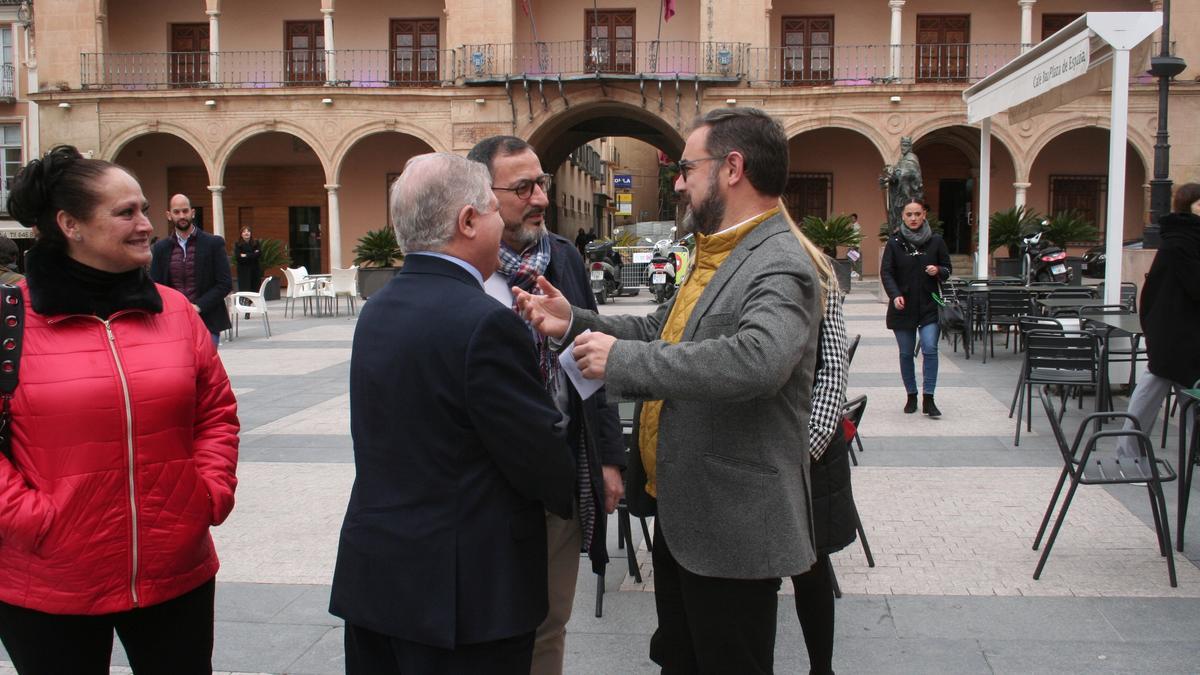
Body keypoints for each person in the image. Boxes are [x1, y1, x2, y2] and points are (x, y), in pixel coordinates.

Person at [515, 107, 822, 674]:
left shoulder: (780, 261)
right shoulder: (719, 251)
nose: (678, 181)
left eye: (686, 168)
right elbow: (663, 331)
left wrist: (623, 362)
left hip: (733, 526)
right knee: (681, 660)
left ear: (732, 168)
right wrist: (575, 321)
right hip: (688, 518)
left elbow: (758, 361)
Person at [329, 152, 575, 675]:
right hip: (465, 598)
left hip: (379, 581)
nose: (496, 222)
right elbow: (539, 458)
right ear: (467, 222)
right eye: (490, 210)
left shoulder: (379, 308)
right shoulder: (485, 322)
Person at [0, 145, 239, 674]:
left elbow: (216, 413)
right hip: (50, 581)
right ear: (70, 225)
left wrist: (207, 493)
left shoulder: (175, 311)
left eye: (145, 210)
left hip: (175, 570)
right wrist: (34, 522)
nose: (145, 225)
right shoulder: (9, 320)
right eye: (126, 212)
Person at [466, 136, 625, 675]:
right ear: (482, 196)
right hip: (488, 484)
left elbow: (594, 360)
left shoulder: (564, 258)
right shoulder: (465, 271)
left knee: (551, 620)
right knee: (491, 624)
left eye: (543, 184)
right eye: (523, 187)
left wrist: (606, 457)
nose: (539, 198)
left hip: (560, 470)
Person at [777, 206, 857, 675]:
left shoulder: (816, 270)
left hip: (809, 450)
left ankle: (820, 669)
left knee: (810, 567)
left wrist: (812, 442)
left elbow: (833, 368)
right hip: (763, 447)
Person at [1117, 183, 1200, 457]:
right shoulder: (1183, 243)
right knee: (1159, 389)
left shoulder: (1180, 239)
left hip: (1174, 332)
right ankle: (1129, 455)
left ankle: (1192, 454)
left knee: (1185, 392)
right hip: (1175, 335)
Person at [881, 199, 951, 416]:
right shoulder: (894, 243)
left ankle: (929, 398)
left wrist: (938, 270)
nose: (913, 218)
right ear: (903, 216)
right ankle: (911, 395)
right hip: (903, 306)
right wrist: (895, 295)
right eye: (909, 214)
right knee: (905, 353)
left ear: (924, 216)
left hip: (930, 304)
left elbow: (948, 269)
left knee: (930, 348)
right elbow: (887, 272)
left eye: (917, 214)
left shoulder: (936, 241)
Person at [149, 194, 232, 347]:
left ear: (192, 213)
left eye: (185, 211)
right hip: (174, 323)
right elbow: (156, 286)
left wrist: (198, 306)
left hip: (207, 321)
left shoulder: (213, 244)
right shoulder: (161, 249)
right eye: (177, 212)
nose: (182, 216)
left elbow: (225, 284)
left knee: (206, 369)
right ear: (169, 215)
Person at [234, 226, 262, 293]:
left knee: (255, 288)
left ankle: (253, 302)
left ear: (251, 233)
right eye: (244, 231)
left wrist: (246, 255)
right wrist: (252, 254)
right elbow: (238, 257)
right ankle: (245, 302)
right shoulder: (238, 244)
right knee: (245, 288)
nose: (246, 233)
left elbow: (258, 254)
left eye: (248, 231)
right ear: (241, 234)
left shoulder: (256, 243)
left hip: (255, 269)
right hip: (243, 270)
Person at [847, 213, 862, 279]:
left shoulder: (857, 226)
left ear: (856, 219)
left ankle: (856, 272)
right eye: (851, 218)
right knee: (852, 259)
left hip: (854, 245)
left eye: (853, 218)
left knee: (852, 259)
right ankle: (855, 272)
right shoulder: (852, 226)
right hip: (851, 245)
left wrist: (853, 245)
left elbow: (855, 237)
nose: (851, 219)